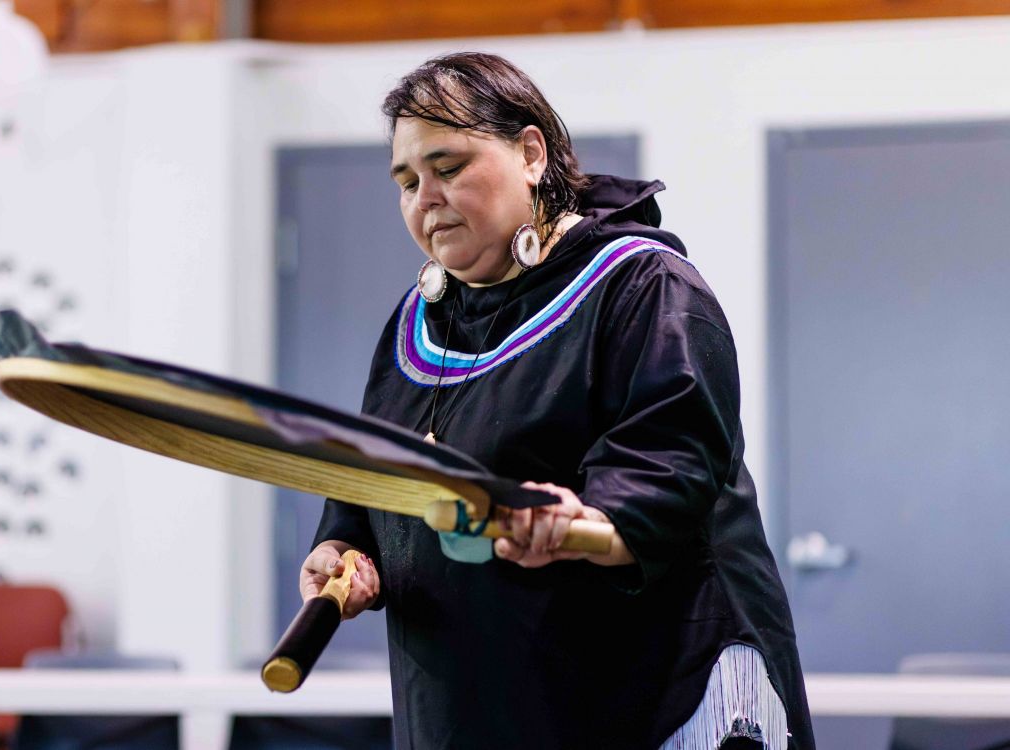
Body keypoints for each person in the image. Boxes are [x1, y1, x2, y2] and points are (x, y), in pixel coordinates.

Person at [300, 52, 814, 749]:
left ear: (531, 154)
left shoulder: (644, 289)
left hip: (647, 696)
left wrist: (581, 523)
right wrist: (344, 551)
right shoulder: (413, 325)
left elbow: (667, 480)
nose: (425, 198)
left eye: (448, 168)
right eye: (406, 181)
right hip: (470, 704)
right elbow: (370, 487)